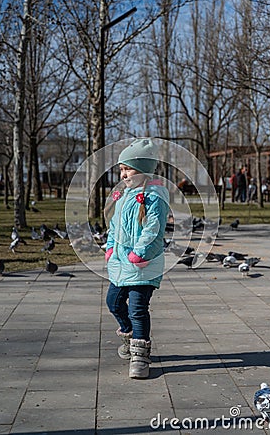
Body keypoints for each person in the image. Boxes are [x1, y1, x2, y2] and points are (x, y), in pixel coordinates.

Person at [105, 139, 169, 379]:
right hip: (121, 264)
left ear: (142, 169)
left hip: (143, 264)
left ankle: (140, 356)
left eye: (128, 169)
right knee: (113, 302)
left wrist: (140, 253)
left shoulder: (155, 196)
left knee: (138, 308)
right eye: (121, 169)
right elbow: (114, 225)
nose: (123, 174)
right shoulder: (124, 195)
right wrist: (111, 247)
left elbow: (154, 229)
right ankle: (131, 336)